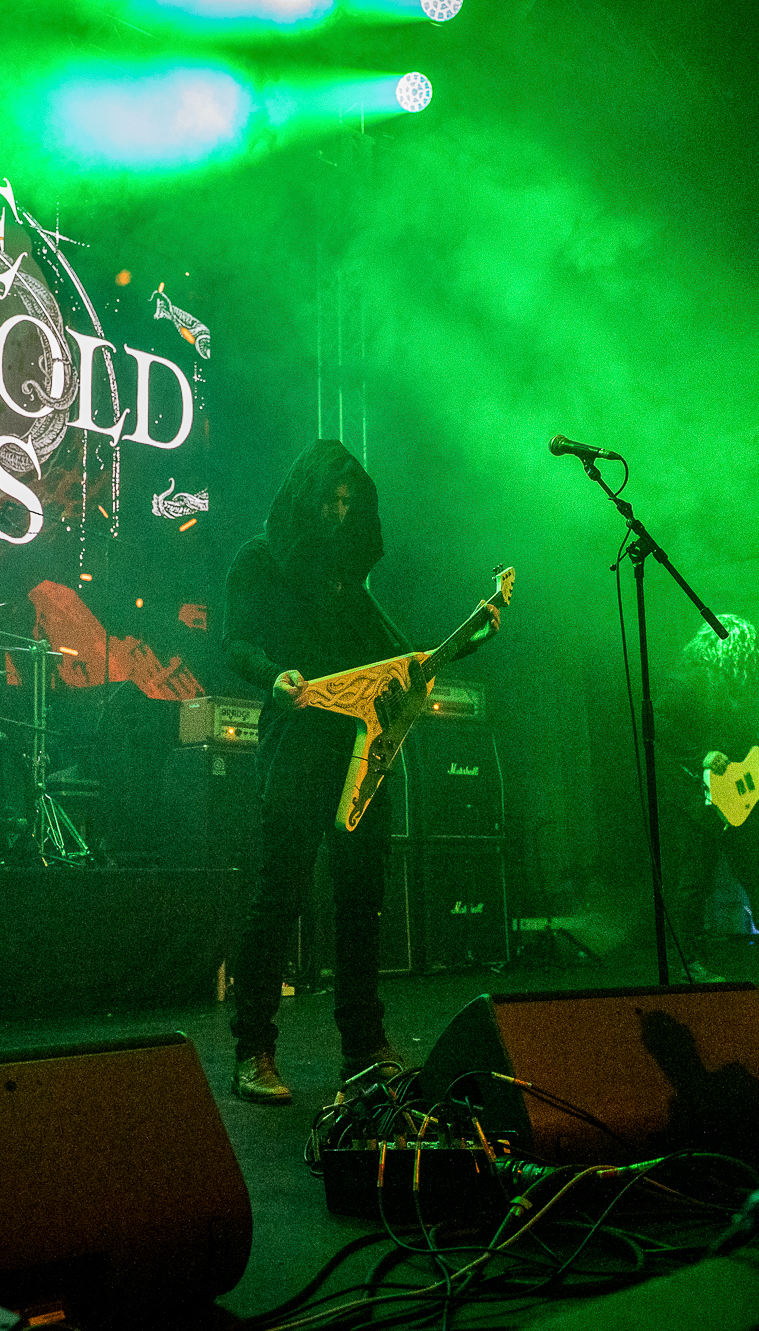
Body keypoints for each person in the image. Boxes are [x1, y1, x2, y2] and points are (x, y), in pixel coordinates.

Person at [222, 440, 498, 1104]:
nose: (341, 513)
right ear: (306, 497)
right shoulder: (260, 558)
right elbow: (235, 641)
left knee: (361, 898)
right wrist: (273, 675)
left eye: (351, 503)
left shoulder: (350, 577)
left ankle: (364, 1046)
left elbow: (397, 657)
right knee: (278, 896)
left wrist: (460, 644)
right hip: (295, 742)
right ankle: (252, 1048)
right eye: (331, 501)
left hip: (361, 748)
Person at [654, 615, 759, 982]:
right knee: (693, 880)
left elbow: (746, 749)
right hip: (700, 798)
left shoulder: (732, 688)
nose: (751, 657)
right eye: (746, 649)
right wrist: (700, 755)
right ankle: (683, 963)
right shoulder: (685, 681)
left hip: (740, 794)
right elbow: (658, 724)